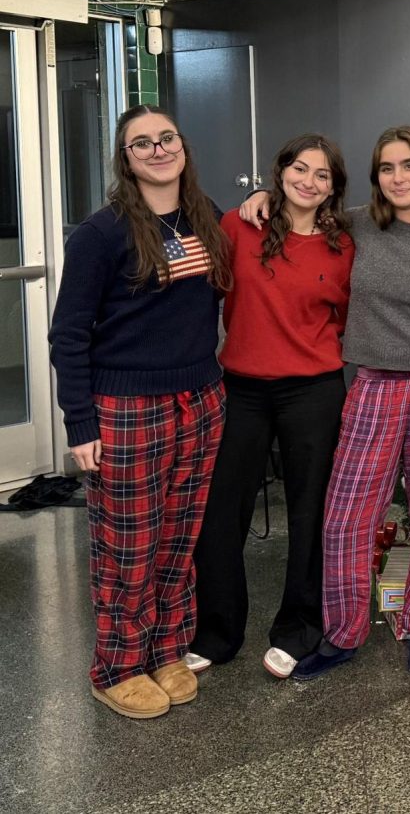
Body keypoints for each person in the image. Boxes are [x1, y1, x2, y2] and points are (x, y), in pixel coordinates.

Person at [242, 126, 410, 678]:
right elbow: (304, 206)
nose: (397, 178)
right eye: (386, 168)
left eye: (408, 166)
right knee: (345, 521)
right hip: (374, 387)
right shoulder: (357, 225)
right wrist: (264, 196)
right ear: (376, 177)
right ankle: (345, 633)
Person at [48, 105, 231, 719]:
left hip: (201, 399)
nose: (158, 150)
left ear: (183, 146)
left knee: (180, 538)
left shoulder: (207, 219)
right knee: (130, 544)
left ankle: (167, 649)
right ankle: (118, 665)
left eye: (167, 138)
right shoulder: (100, 235)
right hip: (126, 407)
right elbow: (68, 334)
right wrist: (80, 422)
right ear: (126, 159)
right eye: (142, 143)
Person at [187, 135, 353, 679]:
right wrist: (254, 197)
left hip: (314, 389)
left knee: (309, 512)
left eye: (322, 175)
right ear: (279, 173)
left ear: (333, 187)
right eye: (299, 168)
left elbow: (351, 318)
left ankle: (299, 627)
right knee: (220, 512)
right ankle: (216, 632)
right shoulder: (240, 225)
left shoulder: (344, 244)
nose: (309, 180)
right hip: (241, 388)